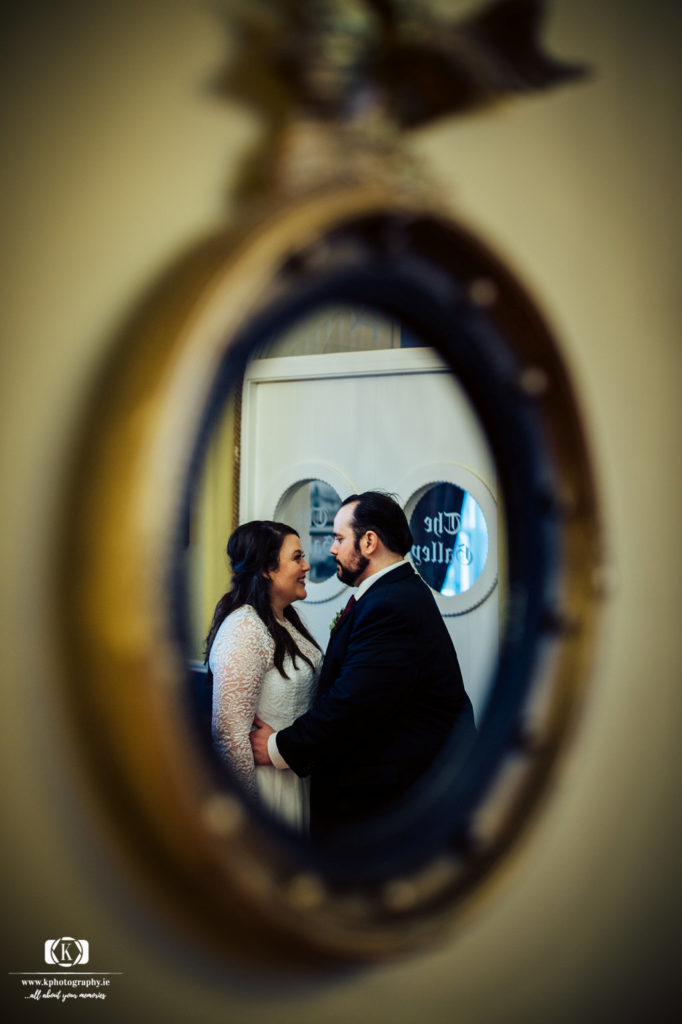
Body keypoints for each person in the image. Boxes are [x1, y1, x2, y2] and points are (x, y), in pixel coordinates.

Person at [250, 491, 476, 837]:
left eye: (340, 538)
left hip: (397, 801)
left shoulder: (392, 606)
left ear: (369, 541)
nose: (331, 550)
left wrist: (275, 748)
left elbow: (351, 706)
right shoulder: (392, 594)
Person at [204, 521, 322, 832]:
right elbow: (230, 739)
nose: (306, 565)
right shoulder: (245, 629)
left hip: (292, 775)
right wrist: (252, 823)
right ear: (267, 569)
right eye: (297, 557)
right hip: (267, 790)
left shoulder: (286, 620)